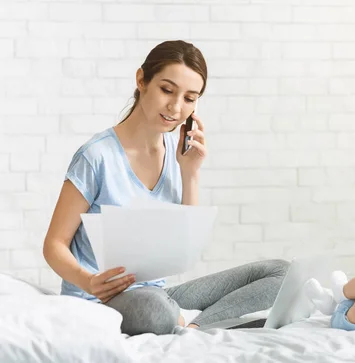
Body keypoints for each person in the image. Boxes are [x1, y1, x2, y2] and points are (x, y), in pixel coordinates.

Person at [42, 40, 289, 336]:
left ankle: (192, 325)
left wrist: (190, 173)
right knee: (155, 310)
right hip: (99, 301)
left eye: (190, 98)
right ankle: (196, 321)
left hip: (156, 293)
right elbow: (54, 245)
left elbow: (185, 244)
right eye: (167, 90)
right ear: (142, 80)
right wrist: (89, 281)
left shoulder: (177, 155)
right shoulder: (96, 157)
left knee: (280, 273)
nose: (176, 107)